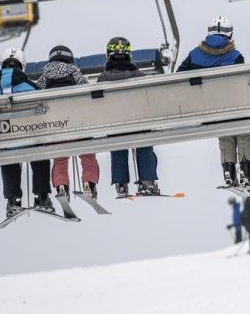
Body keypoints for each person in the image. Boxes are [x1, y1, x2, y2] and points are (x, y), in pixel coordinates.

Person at [178, 16, 250, 187]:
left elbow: (179, 76)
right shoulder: (235, 56)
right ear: (230, 34)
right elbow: (242, 82)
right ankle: (247, 172)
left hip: (210, 106)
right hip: (234, 103)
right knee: (243, 131)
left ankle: (228, 171)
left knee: (225, 132)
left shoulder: (194, 54)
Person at [0, 48, 54, 216]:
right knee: (40, 154)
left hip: (5, 140)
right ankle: (42, 196)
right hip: (31, 137)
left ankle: (13, 200)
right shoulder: (30, 87)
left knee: (7, 155)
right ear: (22, 65)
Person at [97, 37, 160, 197]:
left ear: (108, 55)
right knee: (145, 146)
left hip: (116, 123)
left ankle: (121, 184)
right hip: (138, 121)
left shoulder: (103, 78)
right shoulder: (138, 75)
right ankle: (148, 181)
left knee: (118, 148)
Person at [37, 45, 100, 200]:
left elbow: (37, 95)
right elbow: (86, 90)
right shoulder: (74, 71)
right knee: (87, 154)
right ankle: (89, 183)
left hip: (57, 125)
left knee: (60, 158)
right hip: (78, 123)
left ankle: (62, 186)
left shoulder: (44, 76)